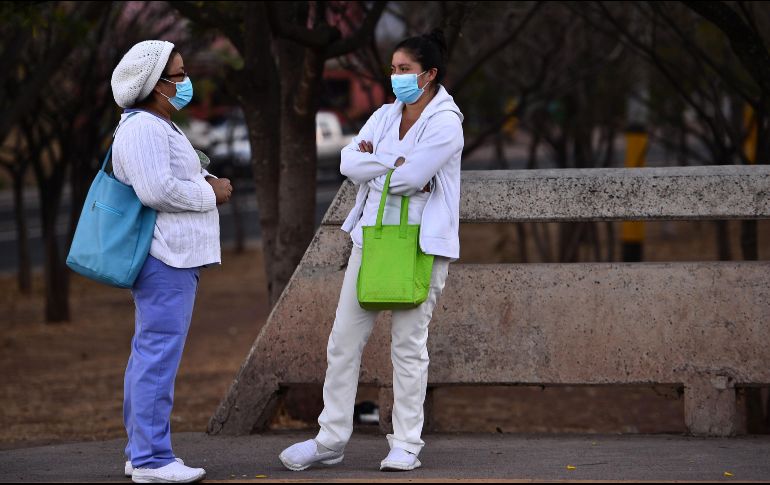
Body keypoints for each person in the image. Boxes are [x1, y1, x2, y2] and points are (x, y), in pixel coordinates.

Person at [279, 29, 464, 473]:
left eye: (405, 69)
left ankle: (406, 444)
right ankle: (330, 439)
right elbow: (349, 163)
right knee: (343, 341)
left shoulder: (446, 123)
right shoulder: (384, 114)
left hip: (420, 246)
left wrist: (376, 163)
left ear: (430, 74)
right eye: (393, 68)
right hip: (371, 240)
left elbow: (407, 178)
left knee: (408, 346)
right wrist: (393, 163)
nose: (396, 76)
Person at [110, 40, 232, 484]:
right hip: (165, 257)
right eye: (177, 75)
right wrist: (209, 193)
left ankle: (141, 452)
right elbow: (156, 190)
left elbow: (170, 177)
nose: (185, 82)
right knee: (157, 356)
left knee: (151, 353)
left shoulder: (158, 124)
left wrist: (204, 178)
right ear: (153, 84)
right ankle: (151, 459)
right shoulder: (144, 127)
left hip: (173, 256)